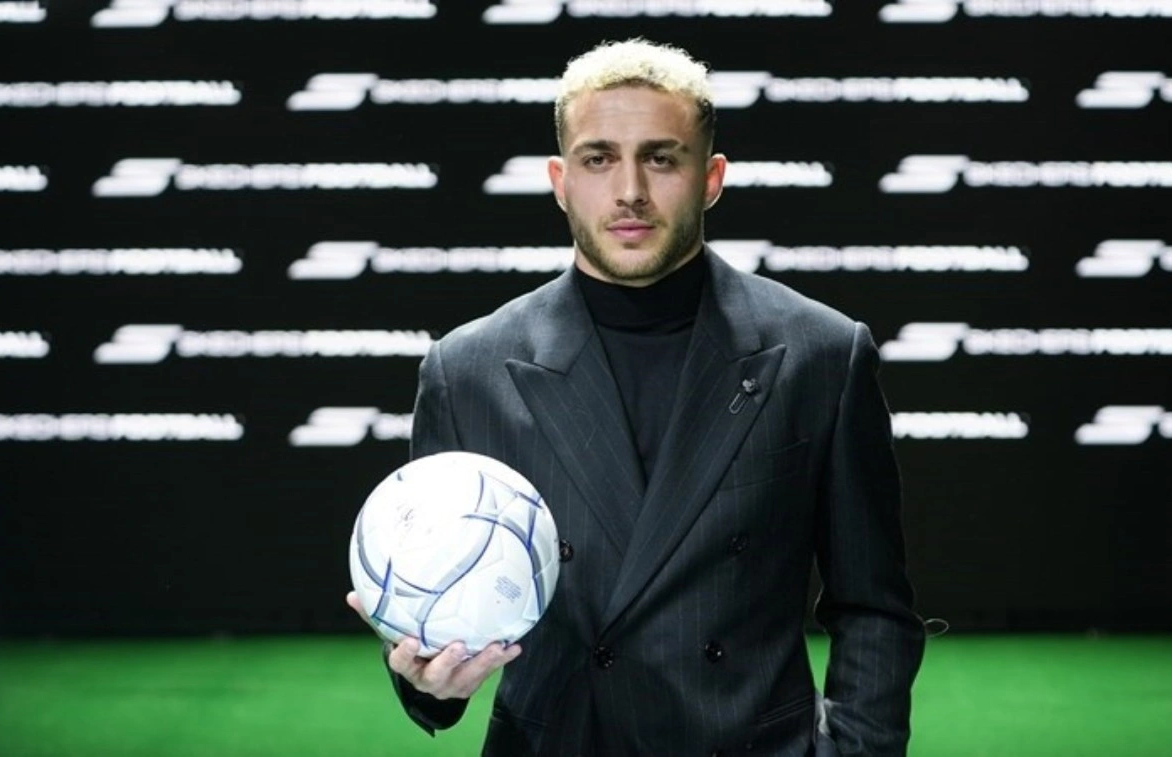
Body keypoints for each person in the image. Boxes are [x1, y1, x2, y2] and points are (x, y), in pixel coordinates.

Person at [347, 38, 925, 756]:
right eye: (598, 159)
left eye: (661, 158)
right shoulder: (467, 370)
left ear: (710, 177)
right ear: (560, 180)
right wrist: (428, 681)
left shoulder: (822, 355)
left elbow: (874, 607)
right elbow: (435, 605)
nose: (630, 191)